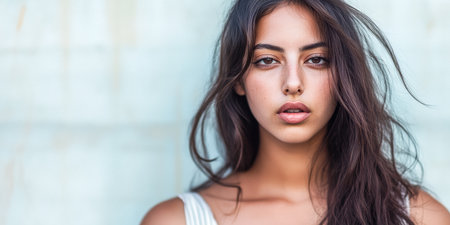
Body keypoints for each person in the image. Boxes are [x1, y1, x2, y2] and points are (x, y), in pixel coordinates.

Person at [141, 0, 450, 224]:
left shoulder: (418, 217)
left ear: (343, 74)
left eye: (316, 60)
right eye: (266, 60)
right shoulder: (176, 220)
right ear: (238, 80)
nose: (292, 83)